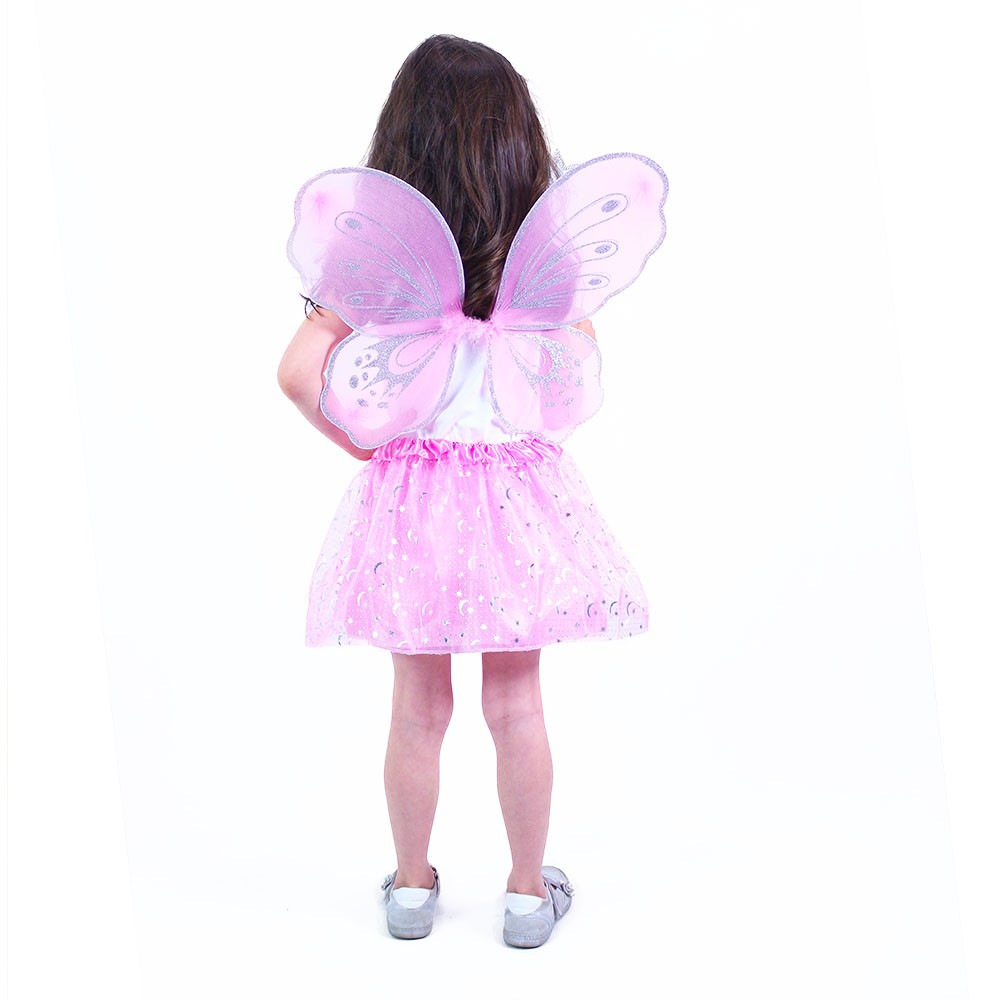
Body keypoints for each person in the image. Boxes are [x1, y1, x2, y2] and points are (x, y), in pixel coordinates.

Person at [277, 35, 667, 948]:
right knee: (515, 706)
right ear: (518, 148)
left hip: (412, 508)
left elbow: (297, 373)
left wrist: (367, 448)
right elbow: (573, 375)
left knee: (418, 711)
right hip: (513, 511)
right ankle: (527, 895)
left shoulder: (371, 270)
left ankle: (412, 890)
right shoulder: (543, 266)